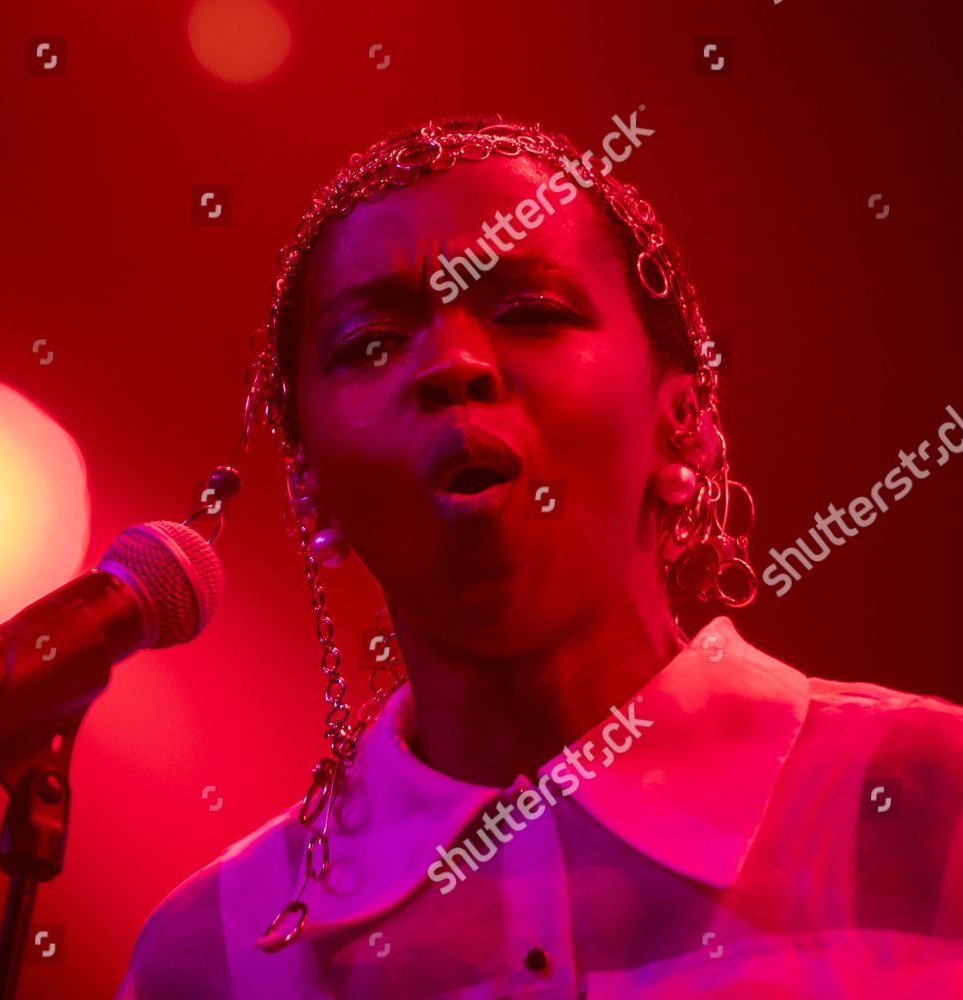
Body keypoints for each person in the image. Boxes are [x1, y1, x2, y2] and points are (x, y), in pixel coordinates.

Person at [115, 117, 963, 998]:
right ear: (312, 486)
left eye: (531, 312)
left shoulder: (932, 803)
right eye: (370, 343)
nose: (451, 364)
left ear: (682, 423)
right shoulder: (213, 956)